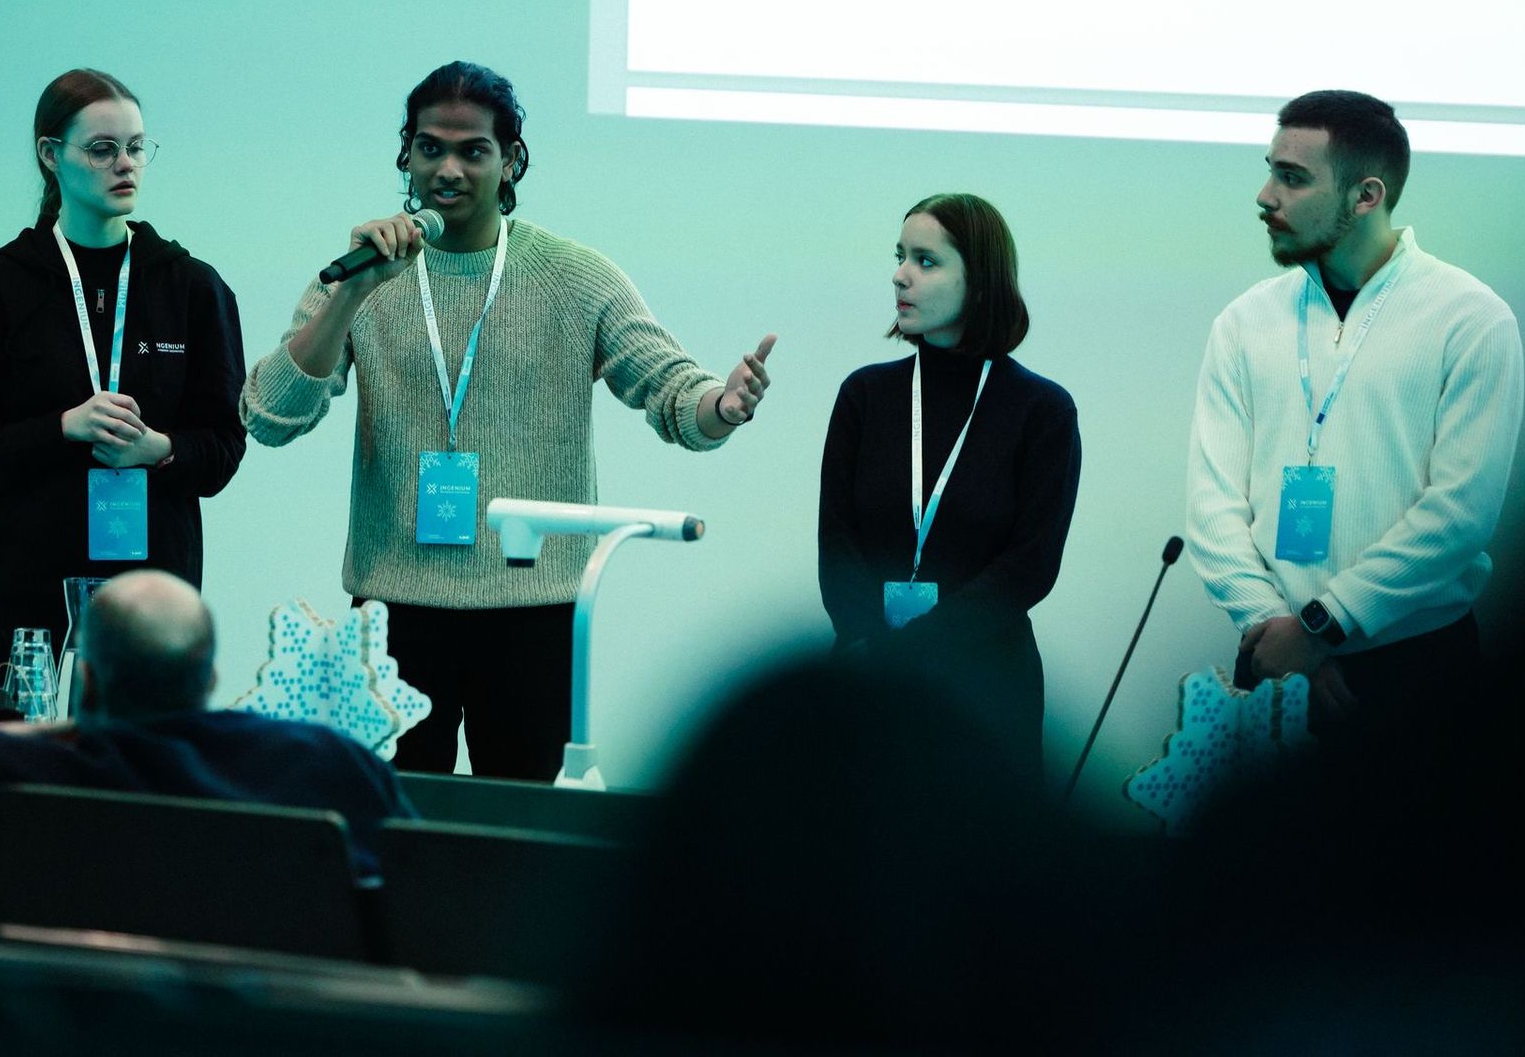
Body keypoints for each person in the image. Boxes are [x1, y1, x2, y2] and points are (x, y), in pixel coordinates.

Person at [240, 61, 776, 782]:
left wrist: (723, 405)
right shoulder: (366, 273)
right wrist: (351, 295)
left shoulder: (572, 275)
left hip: (534, 608)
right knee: (397, 832)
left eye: (473, 151)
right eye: (430, 148)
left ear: (510, 160)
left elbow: (673, 393)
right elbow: (269, 416)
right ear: (405, 155)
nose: (448, 169)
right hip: (396, 607)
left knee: (521, 831)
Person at [1185, 90, 1524, 753]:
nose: (1265, 195)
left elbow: (1461, 514)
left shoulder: (1471, 320)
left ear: (1366, 196)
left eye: (1292, 177)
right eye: (1270, 170)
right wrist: (1274, 627)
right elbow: (1211, 505)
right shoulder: (1245, 322)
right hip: (1273, 655)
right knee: (1262, 859)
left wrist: (1322, 625)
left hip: (1418, 666)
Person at [0, 69, 245, 675]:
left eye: (135, 148)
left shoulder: (192, 288)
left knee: (143, 762)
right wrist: (63, 429)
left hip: (156, 598)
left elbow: (225, 448)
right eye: (102, 150)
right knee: (34, 760)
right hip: (27, 596)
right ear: (51, 156)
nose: (124, 165)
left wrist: (158, 449)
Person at [0, 570, 412, 874]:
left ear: (90, 683)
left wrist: (48, 730)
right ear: (208, 679)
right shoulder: (328, 762)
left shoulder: (54, 768)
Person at [817, 193, 1081, 766]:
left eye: (926, 261)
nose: (900, 275)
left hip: (986, 685)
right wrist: (870, 645)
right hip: (865, 675)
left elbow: (1030, 564)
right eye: (900, 256)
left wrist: (916, 650)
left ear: (980, 282)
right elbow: (836, 539)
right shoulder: (865, 395)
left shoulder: (1041, 409)